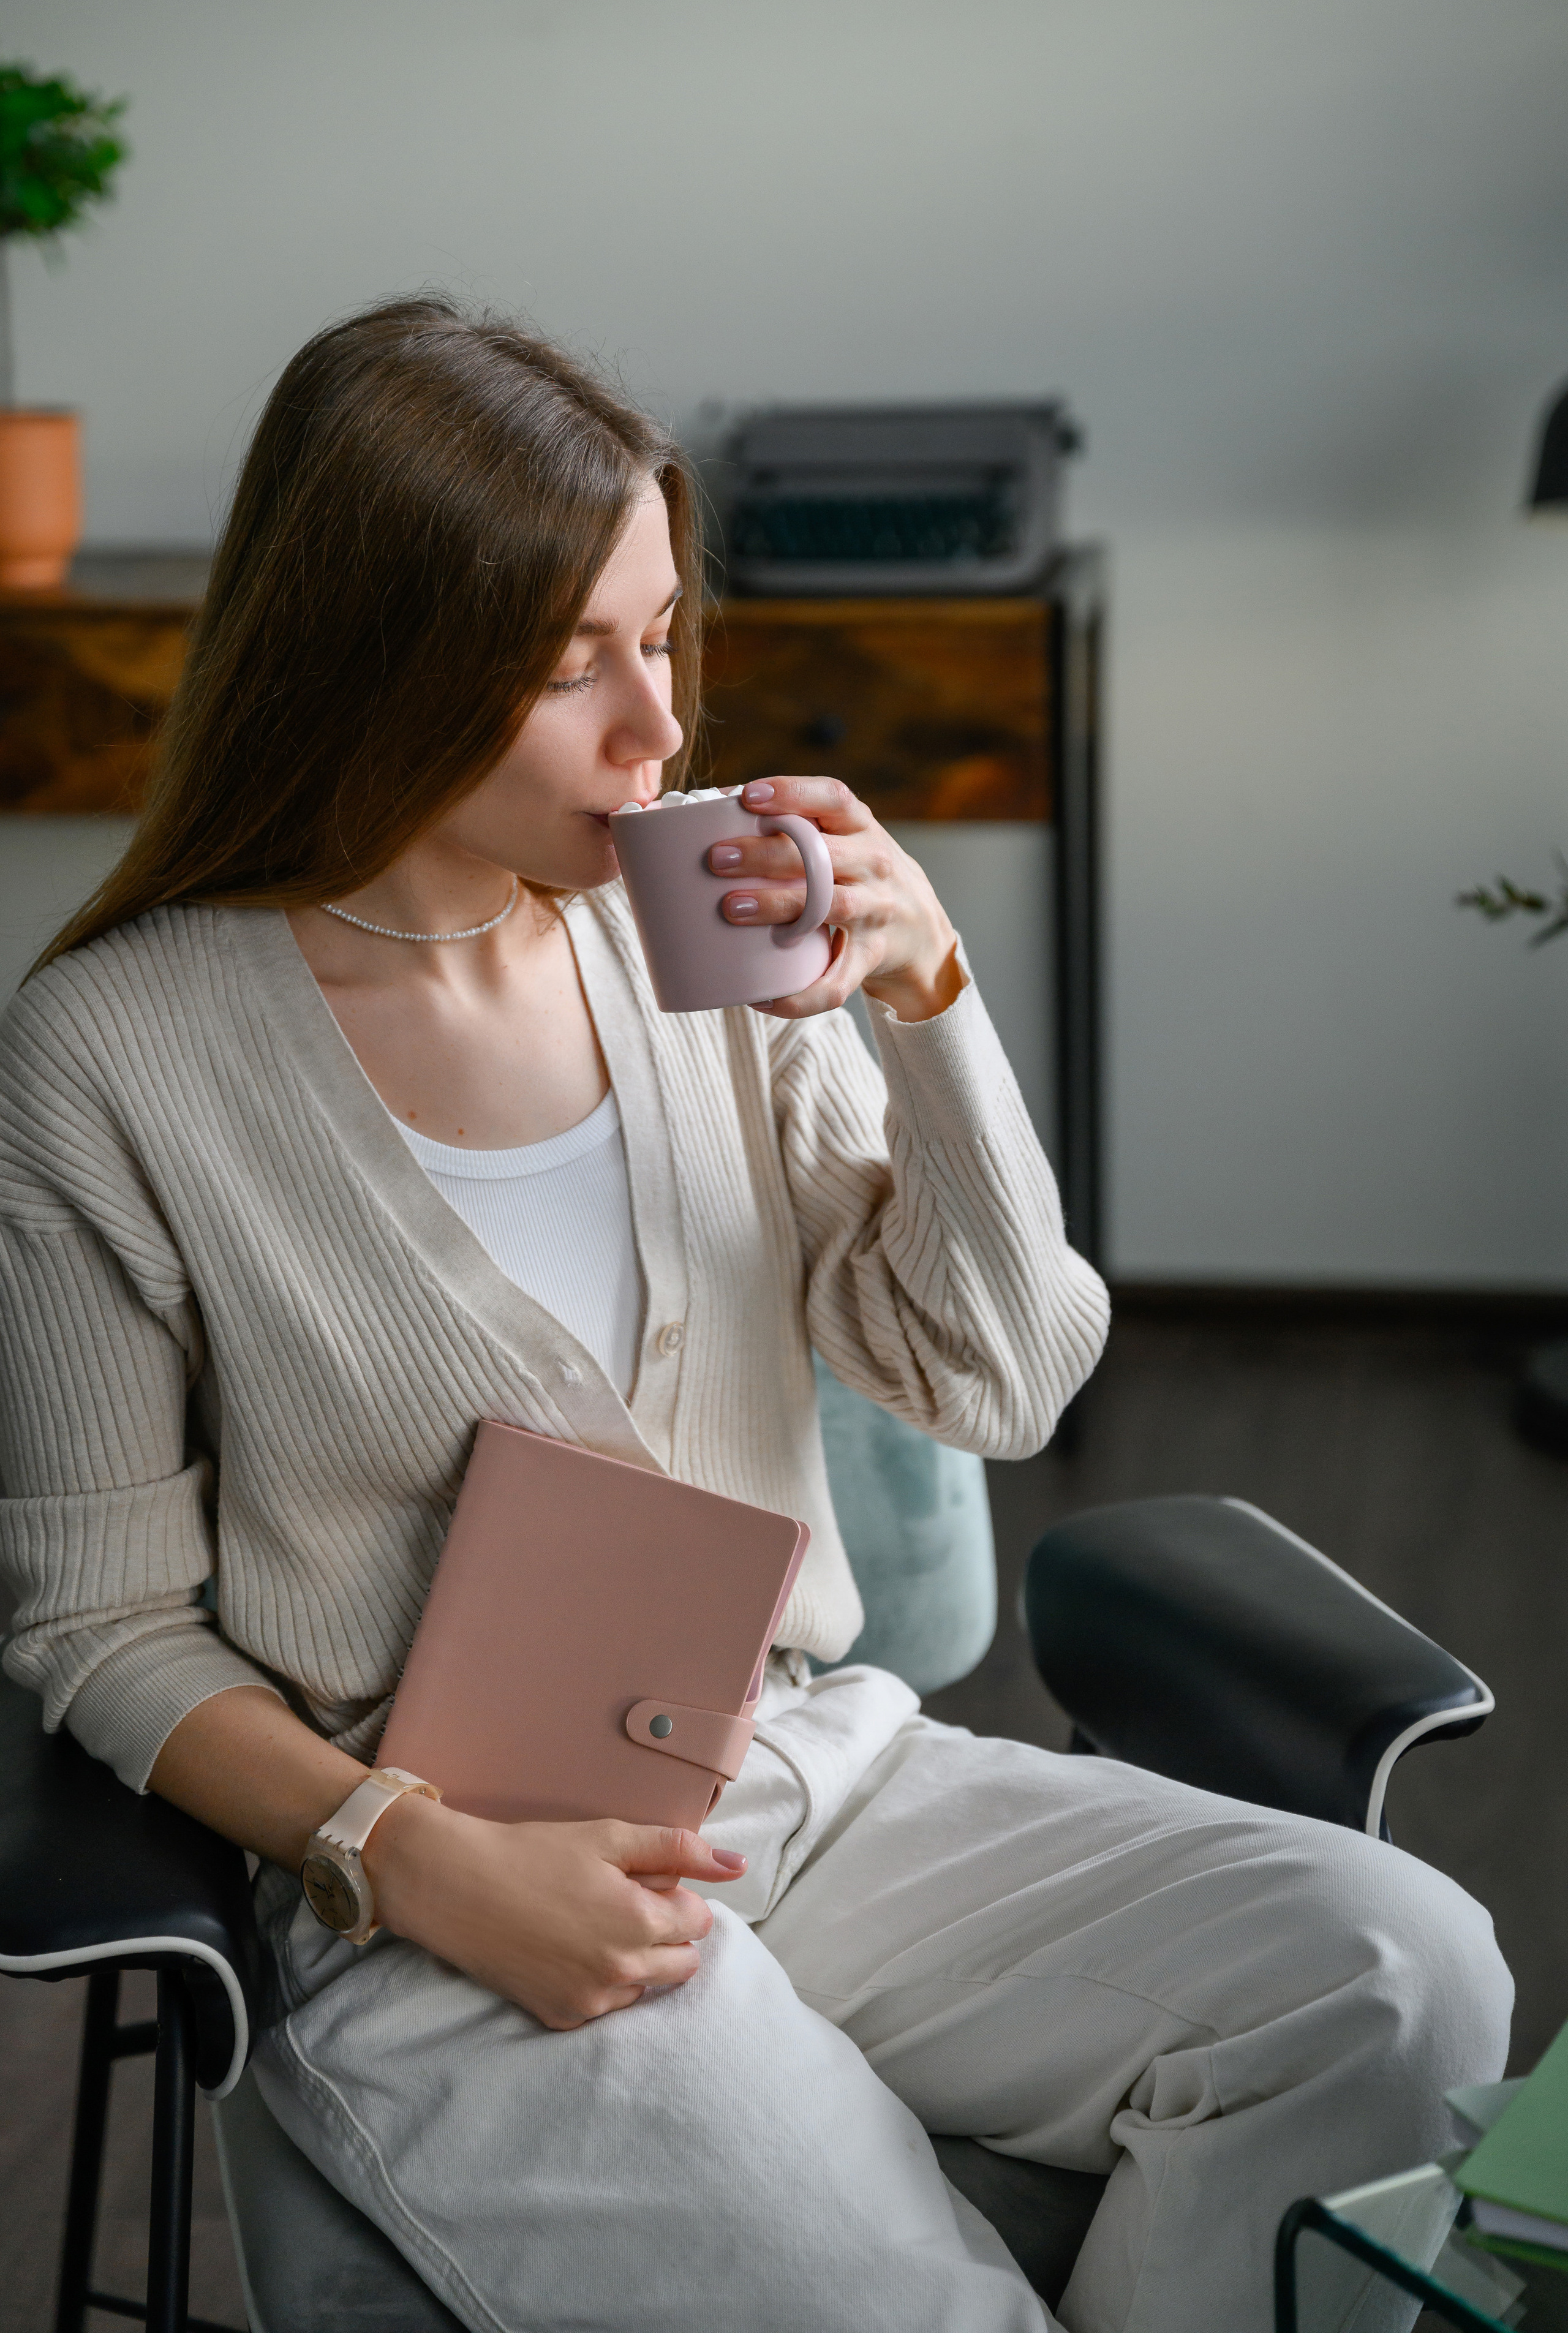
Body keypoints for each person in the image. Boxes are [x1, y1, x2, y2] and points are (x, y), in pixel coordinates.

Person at [0, 298, 1509, 2333]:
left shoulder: (693, 918)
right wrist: (408, 1857)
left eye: (661, 637)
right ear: (375, 668)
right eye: (569, 670)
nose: (658, 732)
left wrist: (932, 1009)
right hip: (453, 1888)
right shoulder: (112, 1053)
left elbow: (1001, 1375)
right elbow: (92, 1624)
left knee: (1405, 1971)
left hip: (811, 1766)